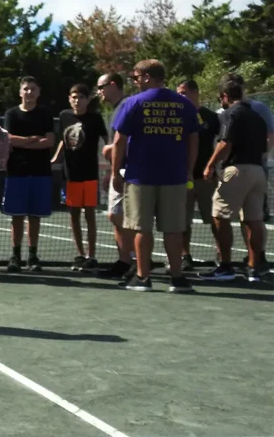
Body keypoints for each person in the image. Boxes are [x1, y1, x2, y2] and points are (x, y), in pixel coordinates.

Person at [111, 59, 199, 293]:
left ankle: (143, 277)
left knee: (141, 228)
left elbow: (119, 141)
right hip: (175, 176)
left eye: (137, 77)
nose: (135, 81)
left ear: (147, 77)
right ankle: (177, 278)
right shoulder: (185, 104)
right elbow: (194, 140)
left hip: (141, 176)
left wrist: (114, 173)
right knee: (173, 229)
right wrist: (188, 170)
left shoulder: (132, 103)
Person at [201, 78, 270, 282]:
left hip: (237, 169)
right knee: (254, 220)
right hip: (258, 171)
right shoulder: (256, 116)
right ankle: (253, 268)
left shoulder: (232, 114)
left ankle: (225, 266)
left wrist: (210, 165)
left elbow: (225, 143)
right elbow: (265, 146)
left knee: (219, 216)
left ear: (224, 96)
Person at [2, 76, 55, 273]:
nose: (29, 92)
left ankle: (32, 256)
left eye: (33, 89)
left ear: (38, 92)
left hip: (40, 172)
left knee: (34, 216)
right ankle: (15, 256)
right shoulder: (12, 114)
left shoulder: (45, 115)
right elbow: (9, 140)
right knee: (16, 216)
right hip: (16, 171)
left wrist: (23, 141)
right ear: (20, 92)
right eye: (26, 89)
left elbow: (49, 142)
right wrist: (33, 139)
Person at [53, 84, 108, 271]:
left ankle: (92, 256)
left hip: (90, 173)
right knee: (74, 215)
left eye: (81, 97)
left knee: (90, 214)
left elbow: (107, 140)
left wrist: (112, 162)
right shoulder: (64, 116)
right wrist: (55, 157)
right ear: (69, 98)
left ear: (87, 100)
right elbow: (63, 139)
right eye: (74, 97)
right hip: (71, 174)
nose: (77, 100)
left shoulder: (95, 117)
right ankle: (80, 254)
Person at [176, 79, 221, 271]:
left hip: (206, 178)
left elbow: (221, 143)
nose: (181, 96)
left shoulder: (211, 117)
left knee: (215, 219)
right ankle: (185, 256)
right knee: (182, 221)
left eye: (184, 92)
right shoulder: (176, 115)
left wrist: (214, 169)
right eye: (178, 93)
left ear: (195, 92)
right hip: (182, 178)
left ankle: (221, 255)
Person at [95, 72, 135, 281]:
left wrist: (111, 149)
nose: (99, 92)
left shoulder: (128, 105)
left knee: (121, 216)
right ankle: (125, 261)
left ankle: (134, 259)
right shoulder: (115, 110)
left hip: (129, 173)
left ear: (113, 85)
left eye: (101, 87)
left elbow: (128, 141)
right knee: (115, 217)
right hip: (118, 172)